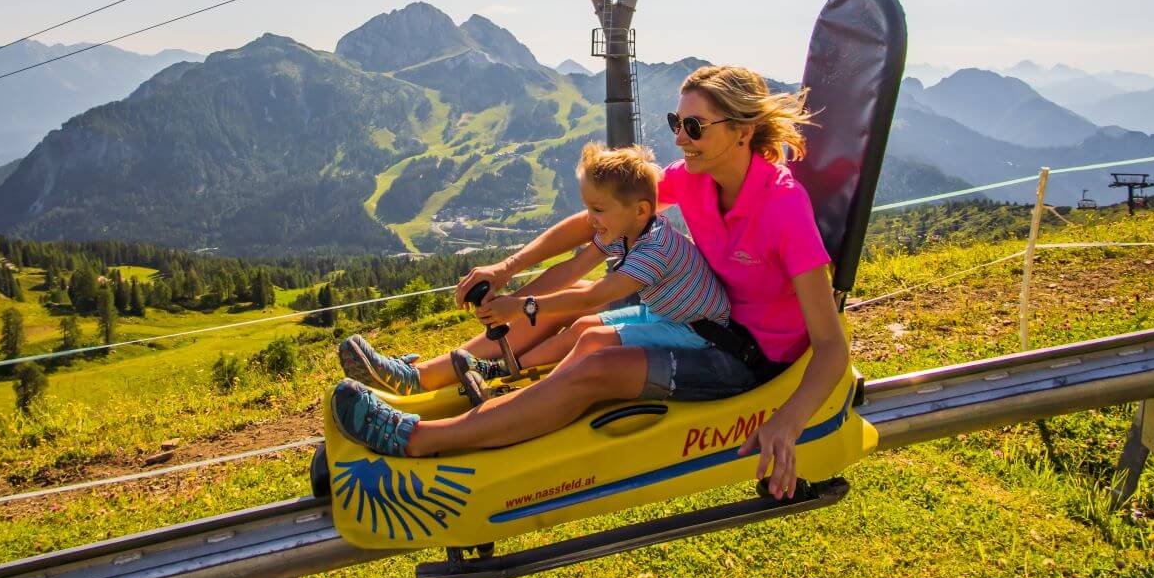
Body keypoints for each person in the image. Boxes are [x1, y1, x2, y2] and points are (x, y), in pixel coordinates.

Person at [333, 65, 849, 500]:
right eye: (677, 122)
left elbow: (831, 346)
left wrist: (788, 420)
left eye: (694, 126)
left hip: (745, 358)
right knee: (579, 319)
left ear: (742, 131)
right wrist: (506, 270)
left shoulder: (783, 207)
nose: (679, 138)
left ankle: (420, 439)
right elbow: (603, 214)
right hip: (698, 321)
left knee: (597, 367)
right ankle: (421, 378)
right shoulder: (694, 176)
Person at [341, 143, 731, 402]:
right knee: (581, 327)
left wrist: (522, 307)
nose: (590, 220)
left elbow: (593, 295)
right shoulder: (626, 227)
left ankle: (526, 394)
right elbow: (573, 268)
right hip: (665, 314)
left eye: (597, 210)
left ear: (641, 210)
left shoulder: (655, 248)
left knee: (591, 338)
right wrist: (511, 287)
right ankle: (500, 371)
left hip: (695, 331)